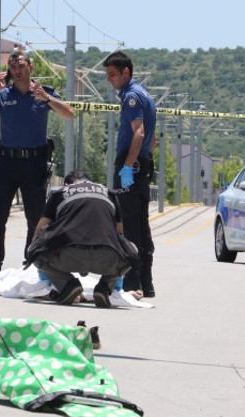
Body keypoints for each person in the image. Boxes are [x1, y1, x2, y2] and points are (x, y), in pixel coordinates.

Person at [0, 49, 74, 277]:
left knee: (35, 218)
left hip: (34, 164)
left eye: (20, 66)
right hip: (7, 163)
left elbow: (69, 113)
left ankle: (31, 262)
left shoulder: (44, 93)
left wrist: (46, 98)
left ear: (31, 67)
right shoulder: (3, 95)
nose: (16, 71)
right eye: (12, 67)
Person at [25, 170, 138, 308]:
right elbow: (120, 235)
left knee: (35, 248)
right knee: (132, 249)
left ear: (66, 184)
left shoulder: (60, 194)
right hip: (105, 259)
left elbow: (38, 232)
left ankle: (68, 285)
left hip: (68, 257)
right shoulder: (110, 194)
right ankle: (104, 287)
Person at [103, 50, 157, 297]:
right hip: (141, 165)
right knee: (141, 225)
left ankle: (133, 283)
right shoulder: (145, 95)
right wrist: (144, 162)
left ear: (126, 72)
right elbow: (153, 137)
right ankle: (146, 283)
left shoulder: (132, 97)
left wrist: (128, 166)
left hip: (131, 166)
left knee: (128, 226)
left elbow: (141, 133)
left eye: (113, 74)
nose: (109, 79)